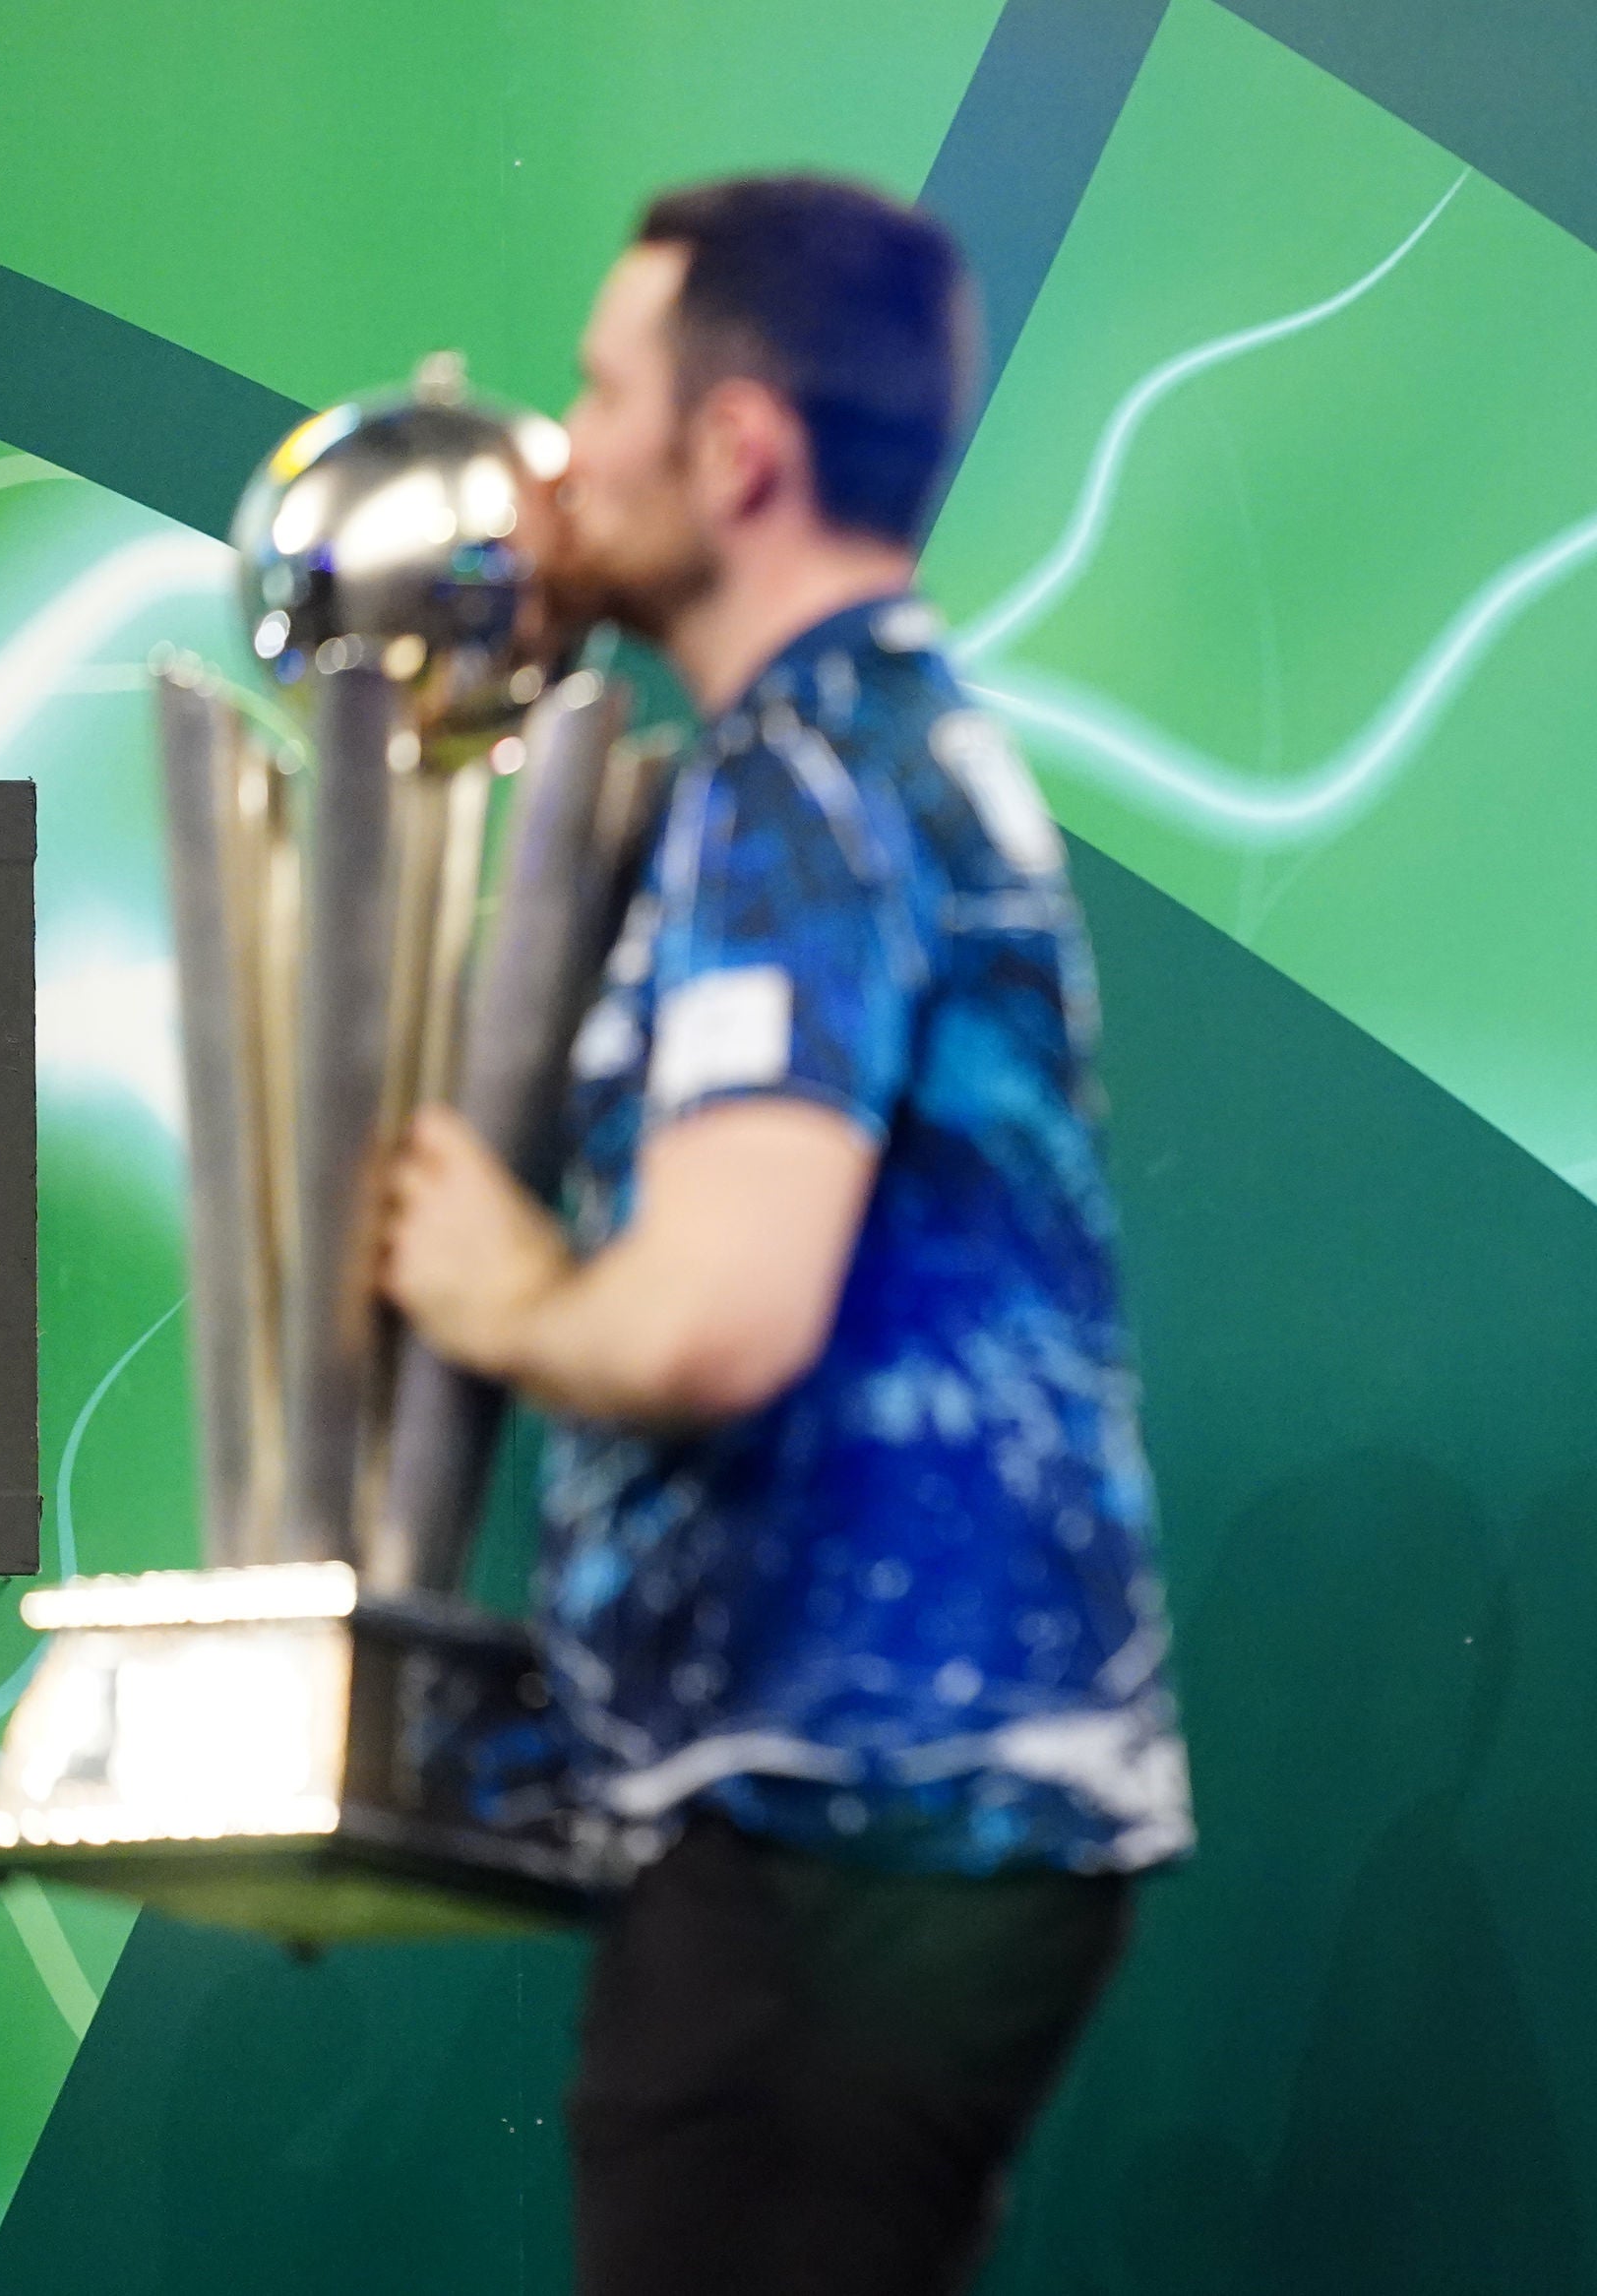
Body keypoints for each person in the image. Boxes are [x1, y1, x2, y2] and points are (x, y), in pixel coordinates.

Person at [378, 174, 1189, 2296]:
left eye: (598, 389)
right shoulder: (865, 742)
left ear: (734, 450)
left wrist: (505, 1287)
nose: (561, 450)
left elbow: (723, 1312)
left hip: (844, 1825)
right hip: (881, 1825)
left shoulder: (807, 776)